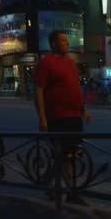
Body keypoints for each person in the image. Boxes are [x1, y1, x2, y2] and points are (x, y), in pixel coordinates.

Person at [34, 30, 91, 205]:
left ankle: (50, 185)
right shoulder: (47, 63)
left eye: (67, 40)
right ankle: (71, 192)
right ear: (53, 44)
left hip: (74, 117)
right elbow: (39, 90)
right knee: (62, 155)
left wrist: (83, 109)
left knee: (70, 155)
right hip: (57, 117)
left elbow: (75, 88)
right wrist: (42, 118)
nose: (67, 43)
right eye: (63, 40)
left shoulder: (71, 63)